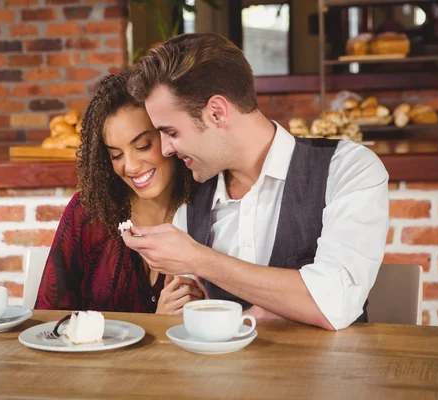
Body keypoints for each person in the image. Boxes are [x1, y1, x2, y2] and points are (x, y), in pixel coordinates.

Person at [122, 33, 389, 330]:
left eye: (171, 132)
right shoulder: (191, 192)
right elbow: (185, 311)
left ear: (216, 112)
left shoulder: (348, 168)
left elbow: (333, 303)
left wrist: (199, 259)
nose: (166, 149)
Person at [35, 72, 203, 314]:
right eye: (116, 155)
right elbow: (47, 319)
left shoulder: (210, 209)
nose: (131, 166)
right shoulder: (88, 214)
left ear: (169, 135)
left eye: (143, 146)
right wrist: (157, 324)